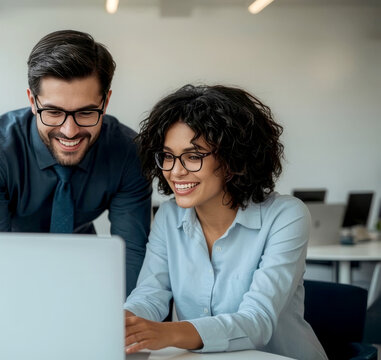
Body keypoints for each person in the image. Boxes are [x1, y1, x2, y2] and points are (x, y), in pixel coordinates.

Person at [124, 84, 327, 359]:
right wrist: (127, 321)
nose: (176, 171)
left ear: (233, 159)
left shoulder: (286, 216)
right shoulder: (169, 217)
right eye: (168, 156)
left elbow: (257, 321)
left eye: (193, 156)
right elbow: (150, 295)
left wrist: (167, 333)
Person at [0, 30, 152, 294]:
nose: (70, 131)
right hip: (11, 265)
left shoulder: (128, 152)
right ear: (32, 100)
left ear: (105, 102)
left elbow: (131, 252)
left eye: (86, 112)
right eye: (53, 112)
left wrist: (118, 323)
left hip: (85, 262)